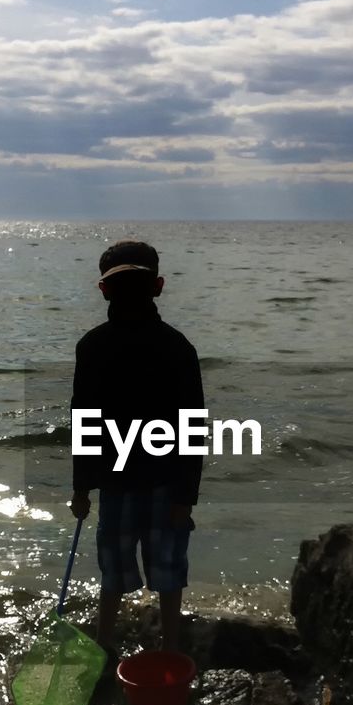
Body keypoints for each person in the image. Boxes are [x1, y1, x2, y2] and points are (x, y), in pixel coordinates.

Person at [69, 239, 203, 667]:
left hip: (137, 482)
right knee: (150, 568)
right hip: (147, 482)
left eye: (134, 286)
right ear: (159, 287)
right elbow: (192, 428)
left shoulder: (96, 346)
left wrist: (82, 486)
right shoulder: (176, 346)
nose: (127, 295)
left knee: (126, 568)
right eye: (124, 286)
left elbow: (83, 421)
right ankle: (143, 645)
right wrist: (82, 486)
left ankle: (142, 646)